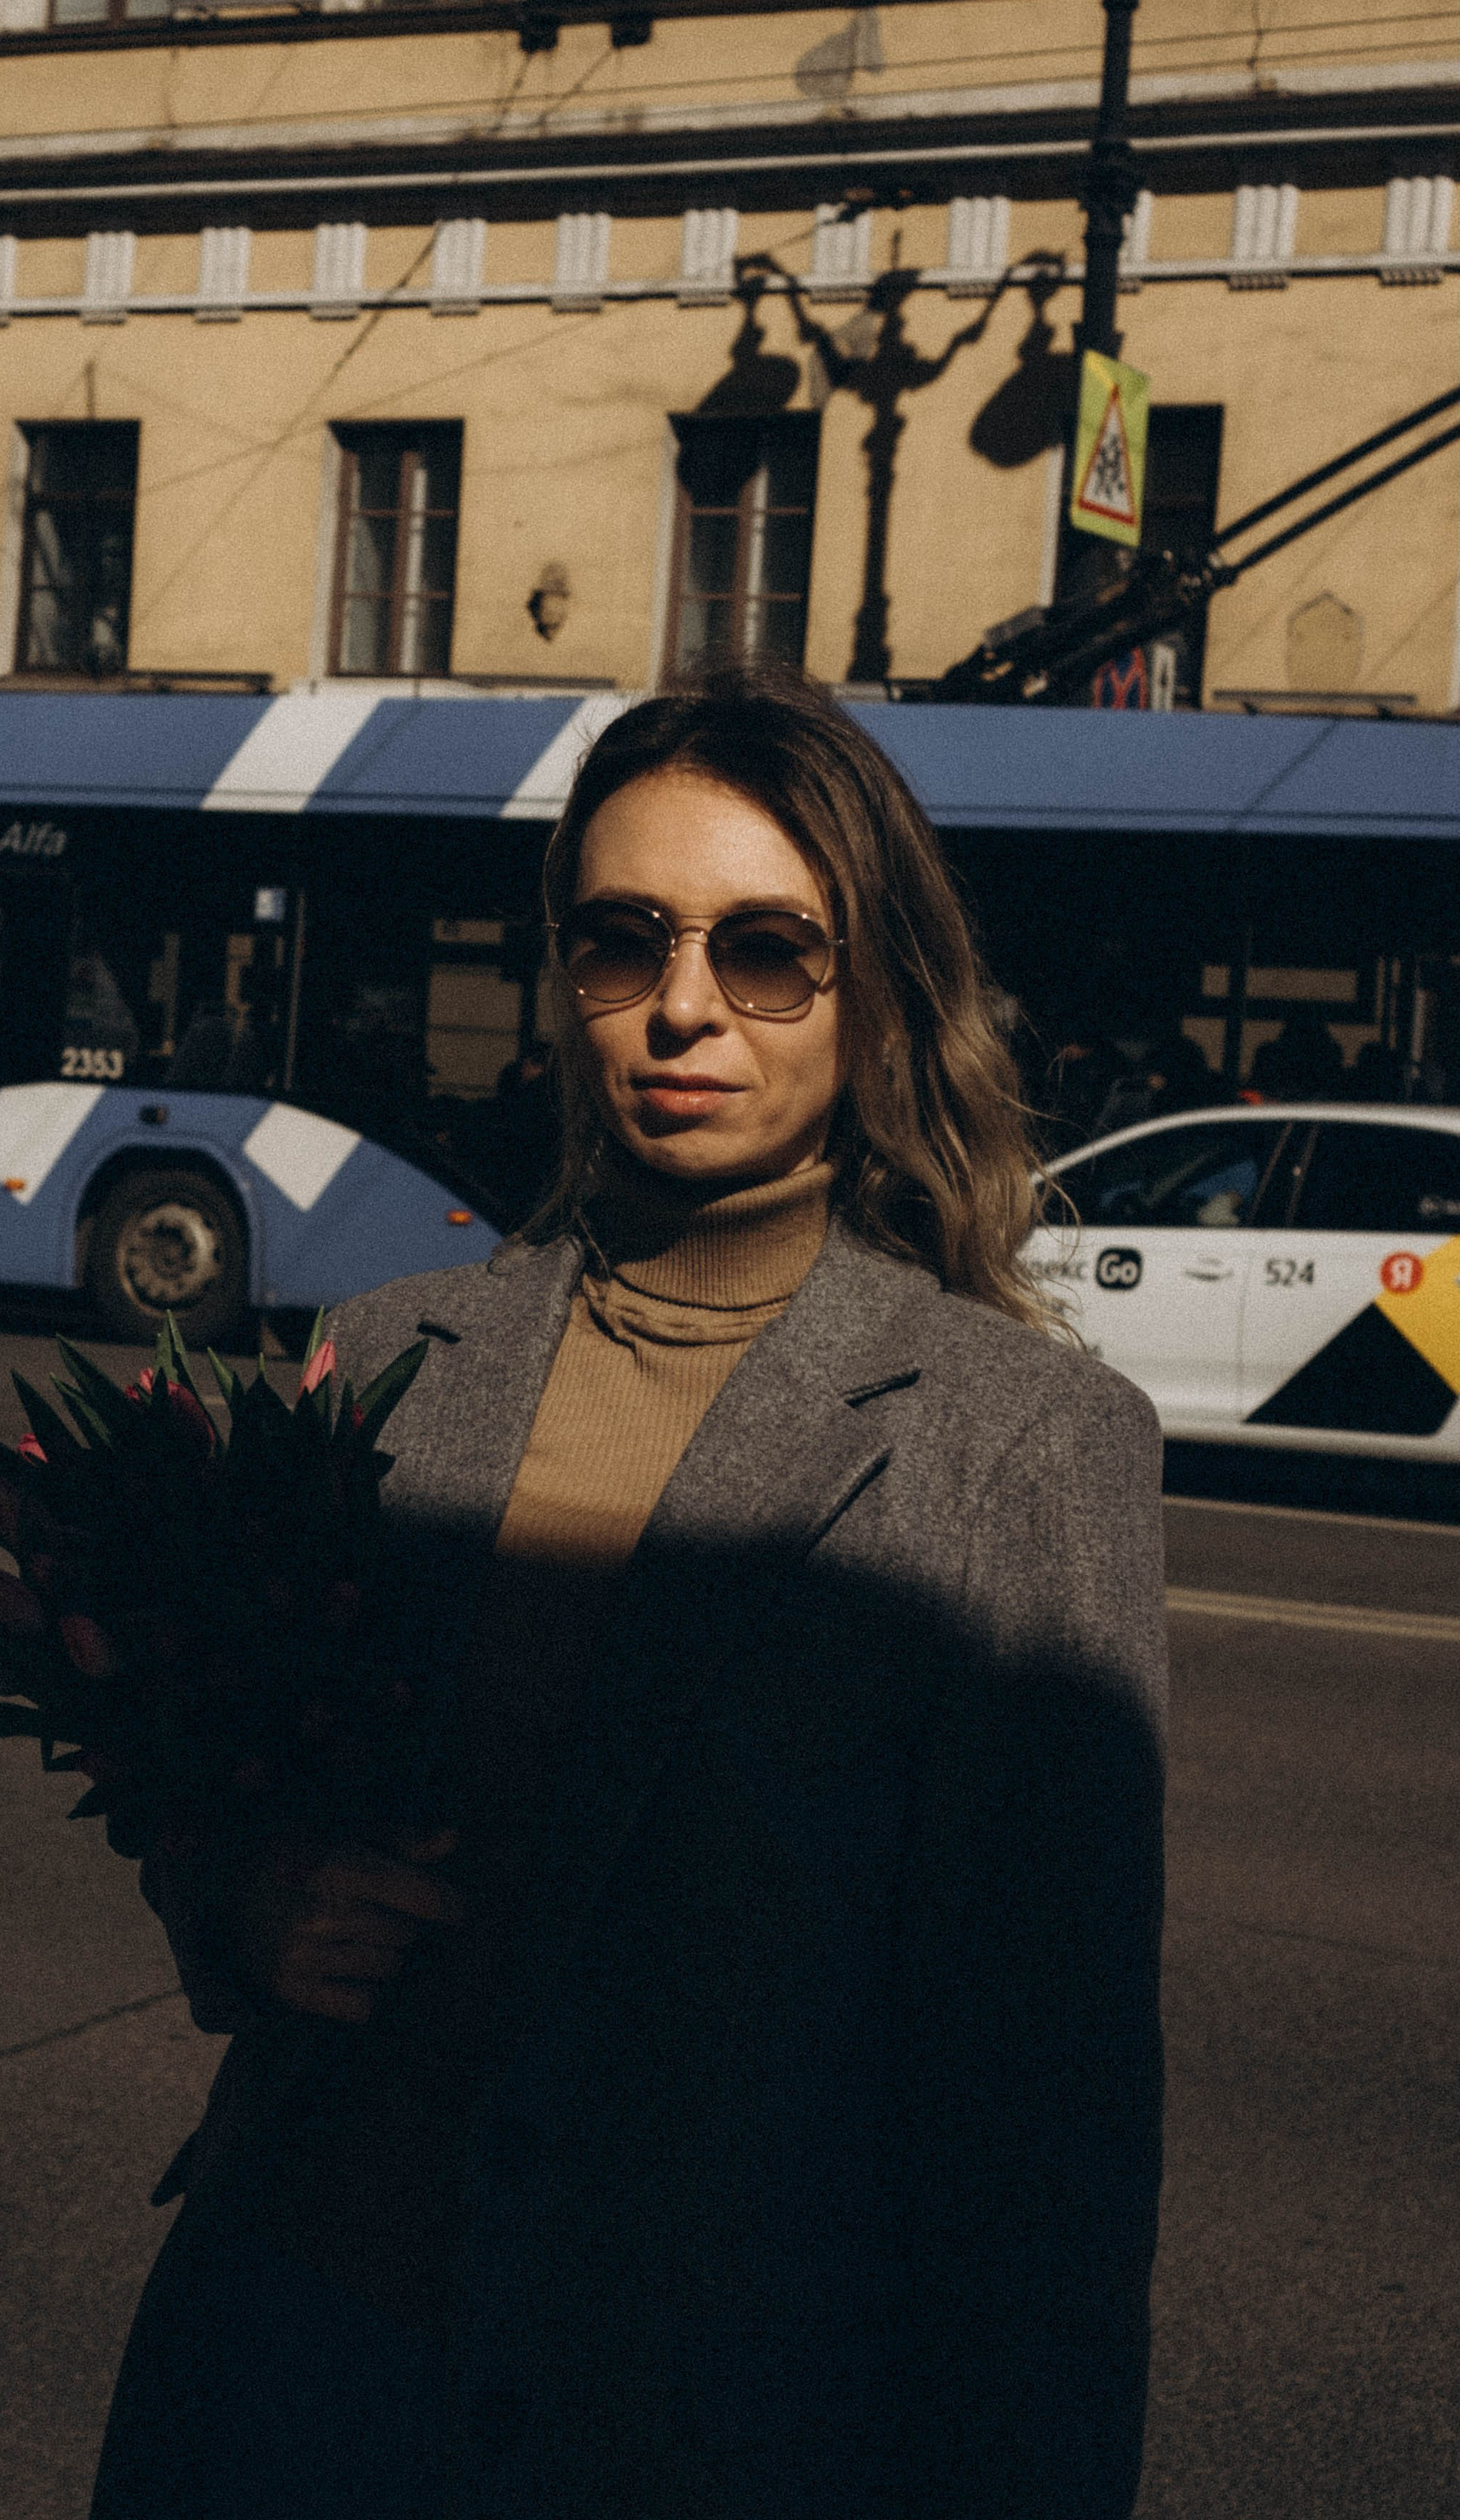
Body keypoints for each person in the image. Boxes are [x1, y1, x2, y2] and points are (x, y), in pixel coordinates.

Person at [94, 670, 1166, 2520]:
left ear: (877, 989)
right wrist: (242, 1903)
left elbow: (1042, 2140)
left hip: (689, 2430)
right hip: (284, 2360)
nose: (681, 1006)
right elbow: (236, 1782)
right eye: (621, 940)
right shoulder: (378, 1352)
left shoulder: (1020, 1443)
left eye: (765, 950)